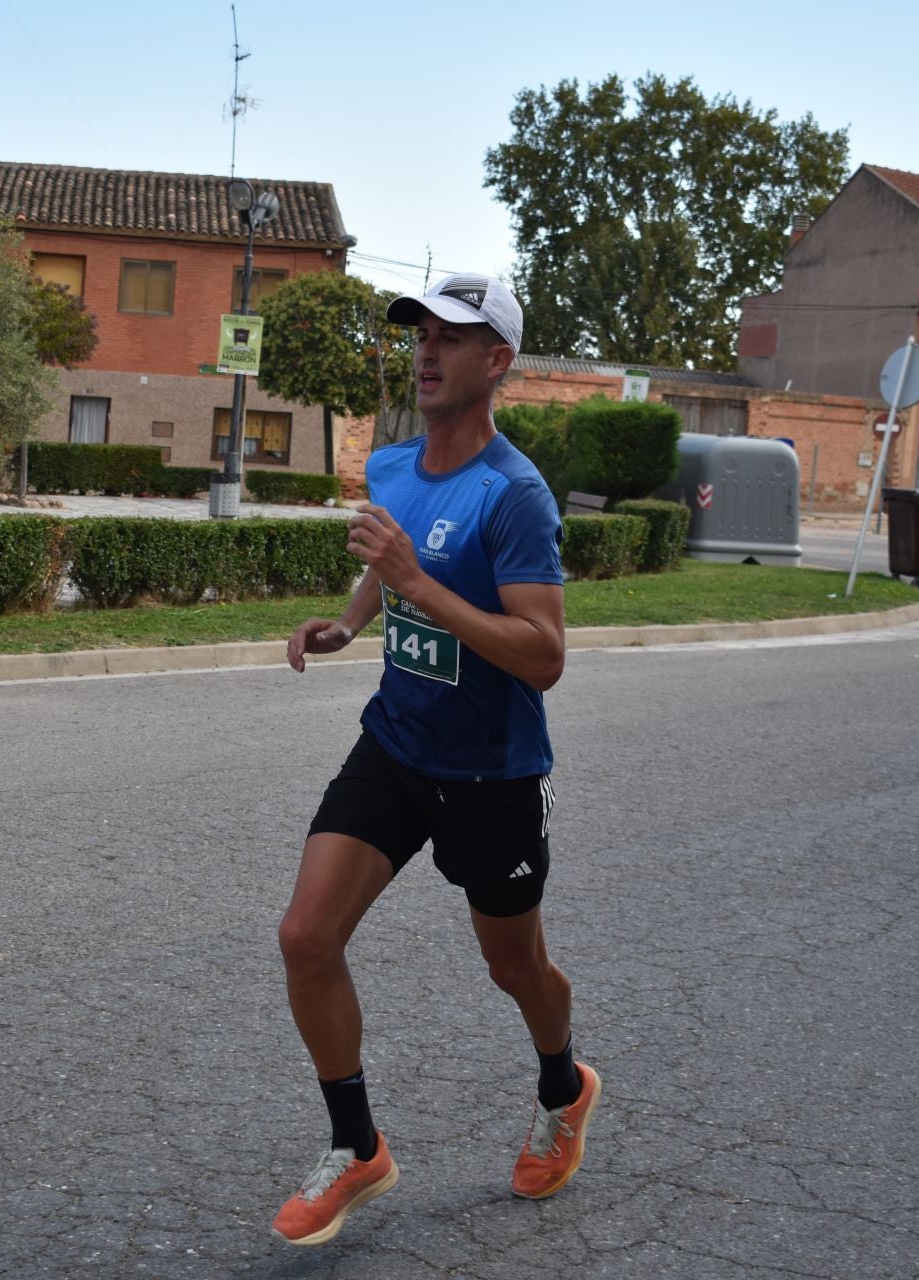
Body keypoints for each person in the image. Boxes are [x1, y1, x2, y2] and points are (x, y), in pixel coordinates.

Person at [270, 274, 599, 1247]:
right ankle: (356, 1144)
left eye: (451, 338)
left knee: (514, 965)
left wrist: (415, 579)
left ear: (496, 361)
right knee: (306, 935)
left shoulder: (515, 494)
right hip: (398, 742)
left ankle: (563, 1085)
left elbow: (543, 655)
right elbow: (392, 567)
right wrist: (351, 620)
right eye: (420, 334)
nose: (426, 351)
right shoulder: (393, 464)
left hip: (493, 771)